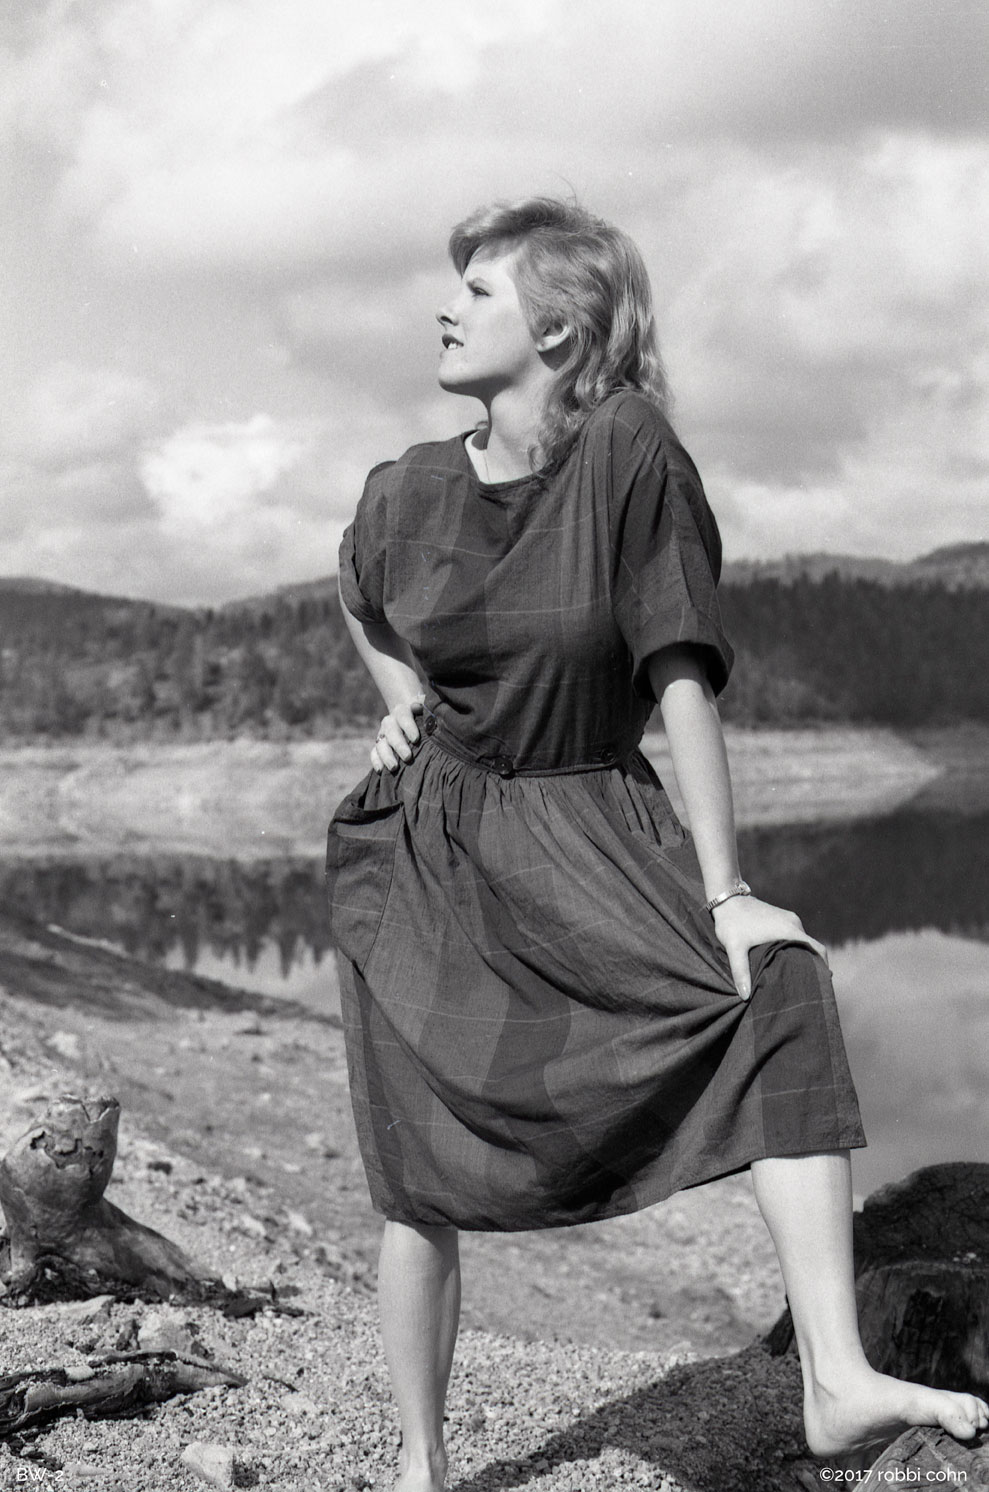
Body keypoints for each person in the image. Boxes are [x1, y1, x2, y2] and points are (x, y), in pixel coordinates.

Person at [326, 197, 988, 1492]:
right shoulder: (406, 487)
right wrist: (399, 701)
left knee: (779, 991)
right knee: (417, 1176)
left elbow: (681, 670)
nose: (446, 308)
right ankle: (419, 1460)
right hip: (427, 850)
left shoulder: (626, 453)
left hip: (591, 822)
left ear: (560, 329)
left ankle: (835, 1378)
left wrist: (725, 891)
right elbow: (355, 587)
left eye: (480, 290)